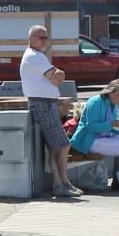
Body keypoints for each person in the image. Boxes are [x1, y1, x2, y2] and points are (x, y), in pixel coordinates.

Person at [19, 24, 79, 197]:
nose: (44, 40)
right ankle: (62, 183)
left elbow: (56, 78)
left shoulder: (36, 56)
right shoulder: (35, 56)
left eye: (46, 37)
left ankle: (60, 183)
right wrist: (59, 73)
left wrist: (58, 74)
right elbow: (57, 79)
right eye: (40, 36)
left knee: (55, 147)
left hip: (46, 104)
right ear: (30, 38)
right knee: (63, 144)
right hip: (43, 105)